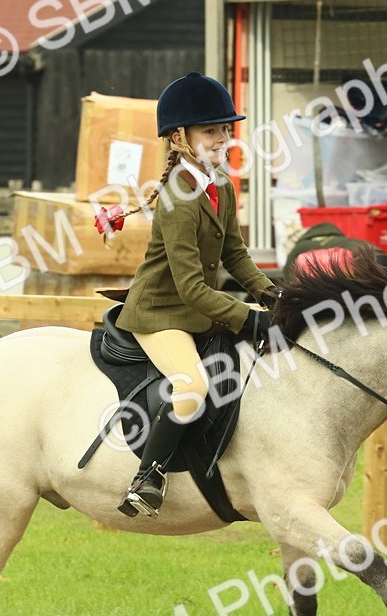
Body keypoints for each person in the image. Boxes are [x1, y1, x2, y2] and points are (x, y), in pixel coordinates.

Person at [96, 73, 280, 518]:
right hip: (159, 314)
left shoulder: (222, 185)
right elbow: (191, 288)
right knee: (193, 386)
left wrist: (273, 295)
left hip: (195, 310)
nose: (222, 138)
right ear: (180, 137)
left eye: (224, 129)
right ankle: (147, 477)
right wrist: (248, 318)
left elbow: (236, 254)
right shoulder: (178, 197)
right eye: (210, 130)